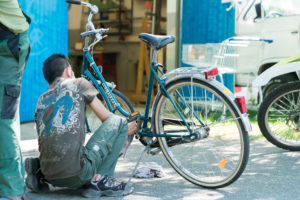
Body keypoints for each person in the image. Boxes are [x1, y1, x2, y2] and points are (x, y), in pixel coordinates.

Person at [25, 54, 137, 198]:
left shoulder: (42, 99)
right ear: (68, 71)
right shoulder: (78, 83)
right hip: (77, 174)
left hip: (50, 175)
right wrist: (125, 129)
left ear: (49, 83)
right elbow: (107, 119)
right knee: (119, 122)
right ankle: (101, 180)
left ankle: (38, 168)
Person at [0, 0, 31, 199]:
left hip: (9, 44)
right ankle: (14, 185)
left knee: (4, 119)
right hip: (7, 41)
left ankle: (11, 191)